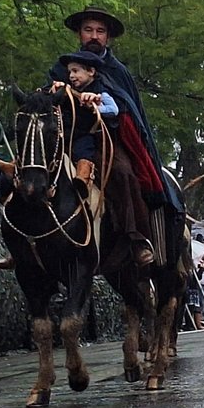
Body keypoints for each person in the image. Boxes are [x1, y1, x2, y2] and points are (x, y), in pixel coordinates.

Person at [49, 7, 183, 228]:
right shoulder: (63, 67)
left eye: (100, 31)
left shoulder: (119, 71)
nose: (94, 36)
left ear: (107, 37)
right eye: (88, 30)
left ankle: (135, 236)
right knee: (31, 168)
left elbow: (126, 109)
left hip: (109, 139)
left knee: (124, 173)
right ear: (79, 34)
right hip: (67, 136)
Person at [58, 49, 155, 264]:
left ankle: (135, 237)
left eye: (76, 71)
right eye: (69, 72)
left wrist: (95, 103)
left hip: (98, 142)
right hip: (69, 141)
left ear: (91, 71)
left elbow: (114, 109)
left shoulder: (102, 89)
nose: (71, 76)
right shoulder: (63, 90)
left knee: (123, 173)